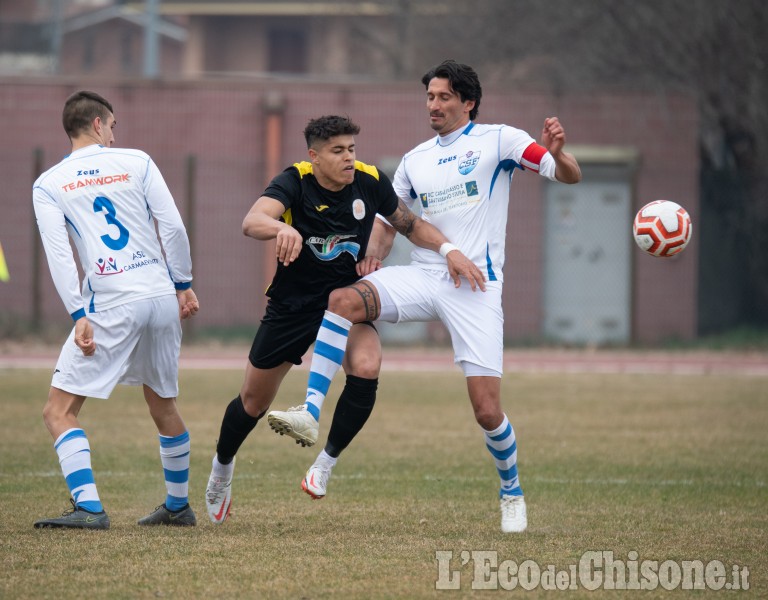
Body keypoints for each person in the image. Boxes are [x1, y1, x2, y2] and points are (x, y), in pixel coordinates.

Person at [268, 60, 581, 533]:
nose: (433, 105)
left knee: (486, 409)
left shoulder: (501, 140)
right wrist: (373, 259)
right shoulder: (415, 158)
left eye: (443, 97)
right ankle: (311, 413)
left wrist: (560, 153)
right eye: (430, 97)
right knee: (342, 300)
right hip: (424, 274)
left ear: (468, 102)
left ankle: (511, 492)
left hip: (475, 285)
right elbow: (392, 221)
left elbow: (568, 176)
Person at [204, 115, 482, 524]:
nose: (349, 158)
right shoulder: (294, 180)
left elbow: (410, 225)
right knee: (253, 402)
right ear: (314, 157)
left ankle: (324, 465)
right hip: (293, 305)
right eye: (337, 151)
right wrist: (281, 230)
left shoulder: (370, 181)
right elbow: (252, 221)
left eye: (351, 148)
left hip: (346, 302)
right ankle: (221, 470)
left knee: (368, 365)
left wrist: (449, 251)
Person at [32, 90, 200, 529]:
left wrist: (77, 313)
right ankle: (178, 507)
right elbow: (174, 227)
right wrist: (182, 285)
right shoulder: (137, 161)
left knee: (58, 410)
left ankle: (89, 509)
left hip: (111, 301)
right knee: (163, 403)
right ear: (98, 125)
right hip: (160, 296)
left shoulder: (48, 183)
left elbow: (60, 255)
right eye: (113, 126)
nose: (114, 134)